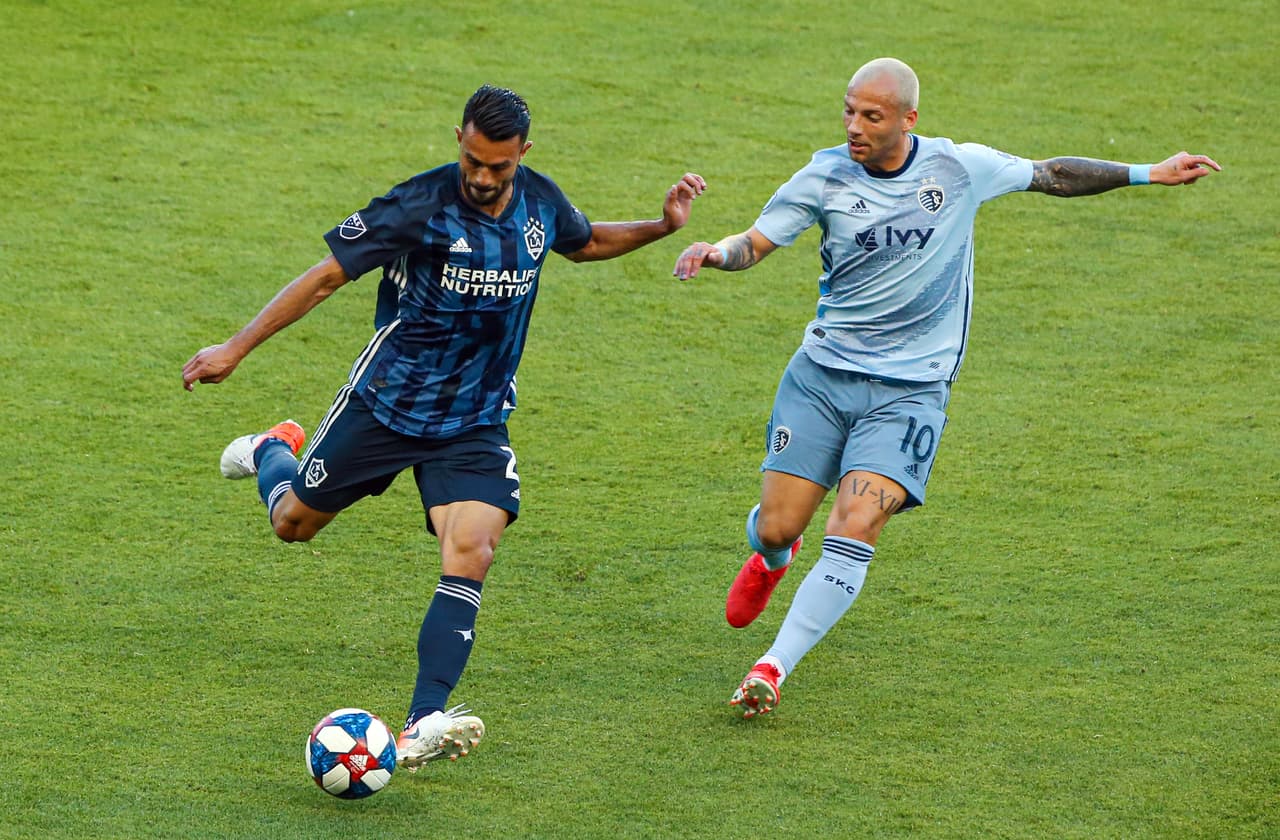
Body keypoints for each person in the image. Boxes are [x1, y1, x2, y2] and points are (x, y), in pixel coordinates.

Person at [672, 57, 1219, 719]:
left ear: (908, 119)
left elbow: (1050, 174)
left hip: (909, 394)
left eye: (871, 116)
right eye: (848, 111)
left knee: (856, 522)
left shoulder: (958, 168)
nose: (854, 126)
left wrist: (1147, 172)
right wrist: (715, 252)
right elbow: (757, 242)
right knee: (780, 524)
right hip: (820, 379)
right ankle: (773, 556)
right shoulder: (824, 176)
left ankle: (771, 667)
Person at [183, 85, 707, 767]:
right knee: (293, 524)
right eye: (474, 162)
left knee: (473, 550)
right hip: (387, 405)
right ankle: (274, 449)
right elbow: (323, 278)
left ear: (523, 153)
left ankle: (423, 719)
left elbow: (585, 242)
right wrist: (234, 348)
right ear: (457, 139)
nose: (485, 179)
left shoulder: (540, 200)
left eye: (500, 167)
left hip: (475, 418)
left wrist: (662, 226)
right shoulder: (418, 206)